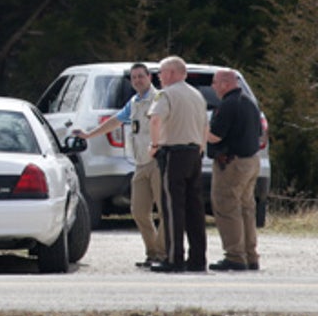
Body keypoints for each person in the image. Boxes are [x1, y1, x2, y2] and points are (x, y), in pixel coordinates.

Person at [73, 63, 165, 267]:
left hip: (159, 161)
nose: (138, 80)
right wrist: (89, 135)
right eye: (134, 78)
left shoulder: (159, 99)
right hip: (140, 163)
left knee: (165, 211)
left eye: (141, 76)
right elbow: (115, 121)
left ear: (150, 77)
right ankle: (153, 253)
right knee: (139, 211)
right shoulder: (134, 102)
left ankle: (163, 254)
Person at [147, 55, 208, 273]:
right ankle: (198, 259)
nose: (158, 77)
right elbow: (204, 126)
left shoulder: (166, 94)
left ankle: (174, 259)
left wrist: (154, 145)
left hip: (173, 153)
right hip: (194, 154)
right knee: (195, 209)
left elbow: (155, 119)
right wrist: (200, 148)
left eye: (161, 73)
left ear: (171, 73)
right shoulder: (197, 95)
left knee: (173, 207)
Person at [207, 69, 262, 271]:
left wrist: (199, 128)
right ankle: (250, 255)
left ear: (224, 83)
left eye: (214, 82)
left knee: (226, 207)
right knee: (246, 208)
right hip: (252, 161)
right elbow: (260, 133)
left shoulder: (228, 104)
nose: (213, 87)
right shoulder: (250, 102)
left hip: (232, 163)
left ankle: (235, 256)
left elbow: (215, 136)